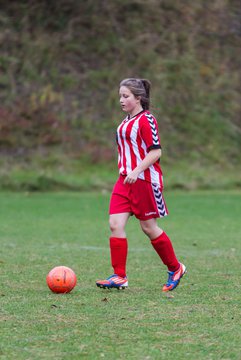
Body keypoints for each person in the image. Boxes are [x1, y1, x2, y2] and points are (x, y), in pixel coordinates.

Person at [96, 78, 186, 292]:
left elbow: (156, 152)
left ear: (138, 98)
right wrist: (128, 171)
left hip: (144, 180)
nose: (121, 100)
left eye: (125, 96)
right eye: (120, 96)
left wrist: (137, 171)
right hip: (124, 180)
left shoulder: (147, 120)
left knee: (148, 227)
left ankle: (175, 268)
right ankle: (119, 276)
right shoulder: (125, 122)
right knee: (115, 224)